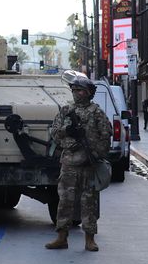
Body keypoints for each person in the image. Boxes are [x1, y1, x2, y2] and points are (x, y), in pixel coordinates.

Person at [45, 77, 113, 252]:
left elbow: (106, 136)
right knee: (65, 201)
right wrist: (67, 131)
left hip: (88, 165)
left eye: (80, 90)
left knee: (88, 203)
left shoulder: (96, 113)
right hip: (69, 164)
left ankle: (90, 238)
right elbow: (54, 132)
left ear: (89, 93)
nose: (76, 94)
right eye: (74, 90)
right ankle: (61, 237)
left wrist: (96, 154)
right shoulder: (67, 111)